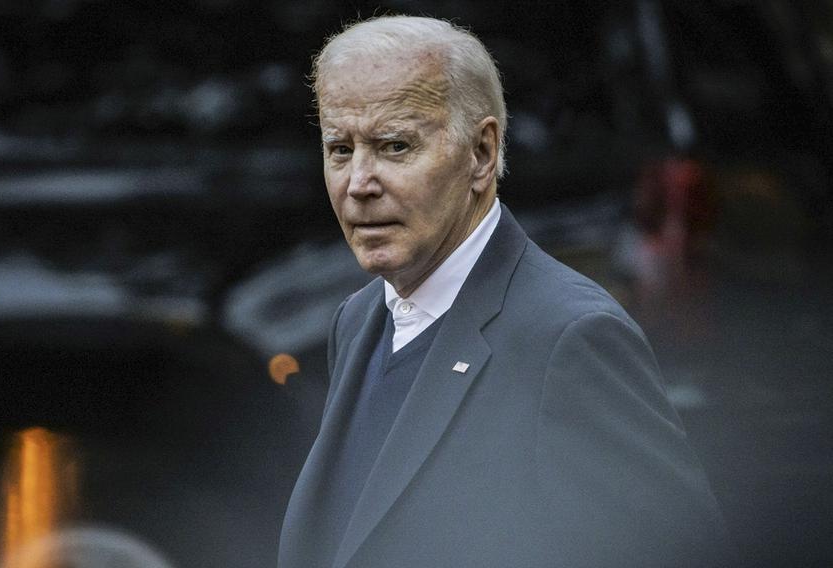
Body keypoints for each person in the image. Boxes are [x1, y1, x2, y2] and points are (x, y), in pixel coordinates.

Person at [279, 16, 731, 568]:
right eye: (340, 149)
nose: (359, 183)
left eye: (395, 146)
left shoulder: (571, 339)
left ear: (482, 153)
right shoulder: (358, 319)